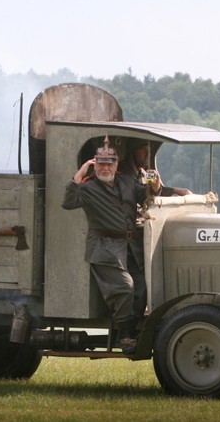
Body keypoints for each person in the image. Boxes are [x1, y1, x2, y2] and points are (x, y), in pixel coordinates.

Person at [62, 137, 168, 354]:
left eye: (110, 163)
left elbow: (144, 195)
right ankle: (125, 335)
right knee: (125, 287)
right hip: (105, 249)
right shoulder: (89, 187)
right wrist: (81, 172)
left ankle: (135, 330)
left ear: (117, 164)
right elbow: (68, 202)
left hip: (130, 247)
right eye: (100, 164)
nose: (105, 168)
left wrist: (155, 185)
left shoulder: (126, 181)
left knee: (142, 287)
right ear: (94, 164)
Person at [119, 141, 193, 196]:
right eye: (143, 150)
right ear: (133, 151)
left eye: (149, 150)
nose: (148, 153)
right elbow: (141, 190)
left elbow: (157, 188)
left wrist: (176, 191)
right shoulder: (121, 172)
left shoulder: (142, 172)